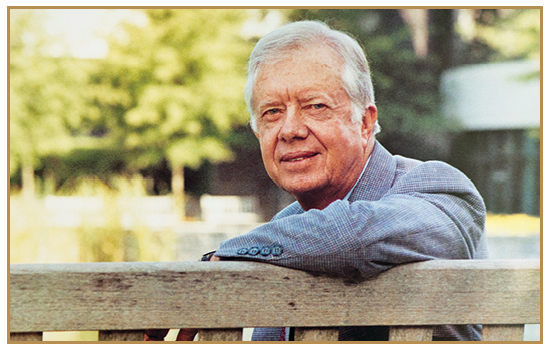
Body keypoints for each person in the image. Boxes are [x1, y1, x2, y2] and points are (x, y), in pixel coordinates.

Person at [145, 20, 487, 342]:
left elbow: (355, 236)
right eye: (272, 113)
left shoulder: (437, 188)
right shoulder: (287, 231)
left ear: (365, 122)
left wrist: (227, 255)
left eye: (315, 106)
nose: (291, 130)